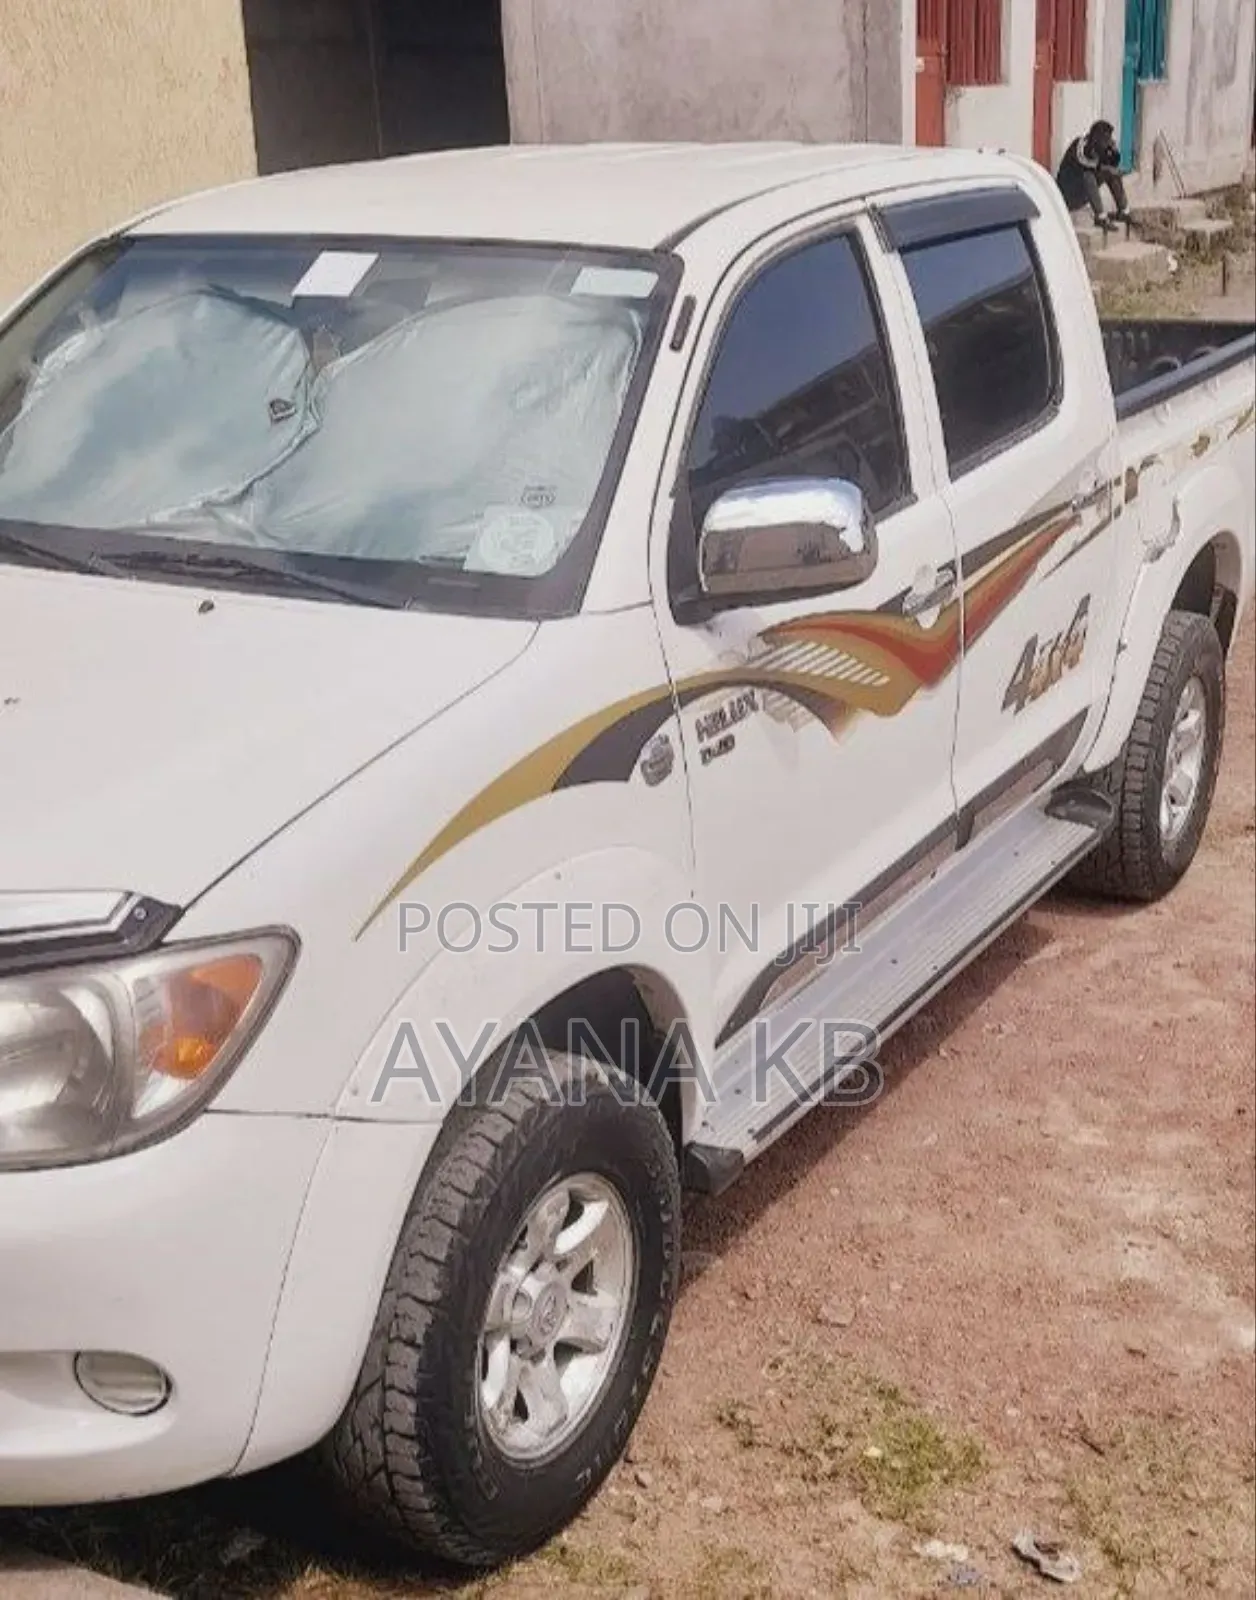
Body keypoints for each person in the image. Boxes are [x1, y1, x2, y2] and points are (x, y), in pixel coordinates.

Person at [1056, 120, 1131, 231]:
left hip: (1083, 193)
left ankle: (1123, 211)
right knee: (1089, 176)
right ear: (1097, 137)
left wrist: (1114, 151)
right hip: (1067, 194)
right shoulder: (1079, 145)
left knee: (1112, 174)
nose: (1108, 141)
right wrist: (1106, 169)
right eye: (1106, 138)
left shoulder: (1101, 148)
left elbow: (1113, 164)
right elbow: (1084, 162)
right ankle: (1100, 218)